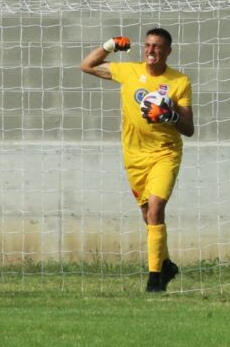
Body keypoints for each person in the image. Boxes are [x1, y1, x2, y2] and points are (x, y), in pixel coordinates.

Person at [81, 28, 194, 292]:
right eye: (147, 45)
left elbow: (188, 128)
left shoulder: (179, 81)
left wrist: (170, 116)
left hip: (165, 153)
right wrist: (110, 45)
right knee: (147, 215)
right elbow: (87, 65)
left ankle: (155, 279)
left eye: (157, 47)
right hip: (134, 155)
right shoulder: (129, 71)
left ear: (168, 51)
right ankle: (165, 264)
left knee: (156, 209)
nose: (151, 51)